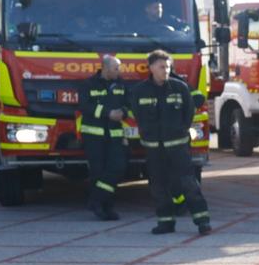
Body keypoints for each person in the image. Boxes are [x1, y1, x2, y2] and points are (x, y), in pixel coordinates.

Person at [130, 50, 210, 235]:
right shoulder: (140, 91)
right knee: (158, 185)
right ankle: (166, 222)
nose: (165, 70)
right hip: (154, 148)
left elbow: (189, 112)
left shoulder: (180, 88)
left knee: (189, 183)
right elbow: (137, 115)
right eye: (161, 67)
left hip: (178, 146)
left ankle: (202, 221)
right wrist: (148, 133)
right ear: (151, 68)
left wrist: (180, 130)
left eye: (167, 67)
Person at [80, 55, 129, 221]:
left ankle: (96, 201)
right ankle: (106, 208)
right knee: (98, 172)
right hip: (94, 136)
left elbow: (129, 103)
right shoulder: (88, 84)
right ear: (106, 68)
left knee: (117, 168)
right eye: (116, 68)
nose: (119, 71)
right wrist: (108, 113)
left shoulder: (121, 84)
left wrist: (123, 112)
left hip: (115, 135)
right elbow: (85, 106)